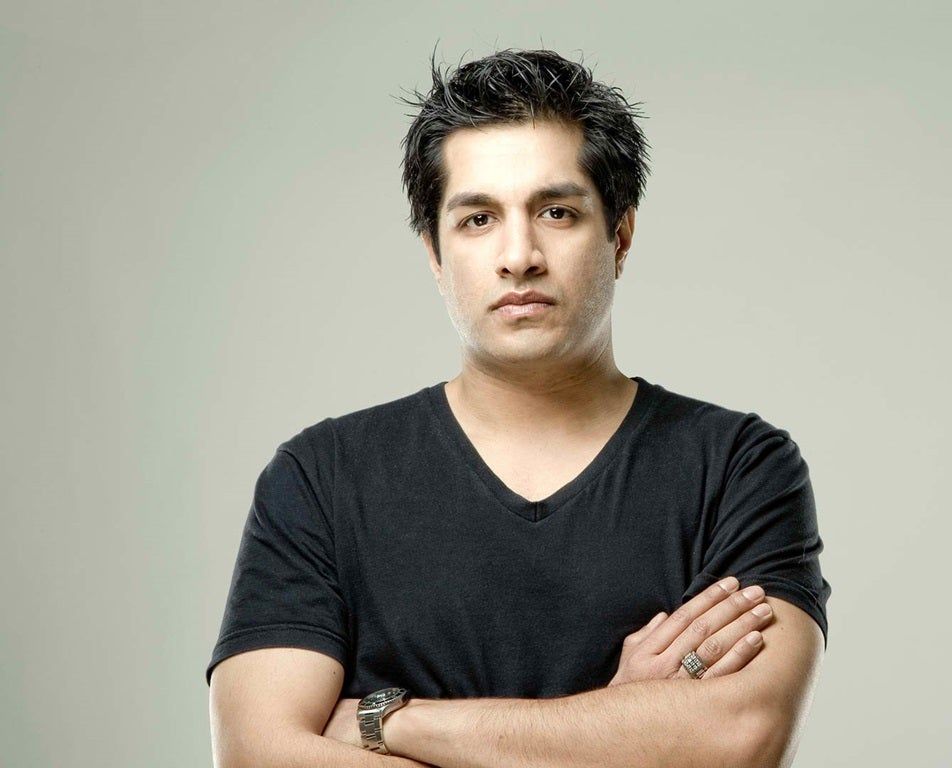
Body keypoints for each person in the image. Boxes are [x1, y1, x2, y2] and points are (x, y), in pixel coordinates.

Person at [207, 48, 831, 768]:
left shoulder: (738, 466)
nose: (519, 255)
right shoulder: (321, 477)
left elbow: (740, 737)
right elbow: (258, 756)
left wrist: (389, 721)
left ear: (621, 236)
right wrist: (619, 728)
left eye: (556, 212)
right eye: (478, 219)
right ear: (434, 253)